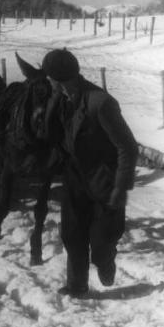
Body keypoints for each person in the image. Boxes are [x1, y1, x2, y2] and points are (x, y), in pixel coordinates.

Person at [42, 49, 139, 298]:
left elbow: (127, 146)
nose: (47, 80)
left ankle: (106, 261)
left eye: (49, 76)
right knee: (72, 235)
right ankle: (77, 286)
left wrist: (121, 186)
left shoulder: (100, 103)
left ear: (60, 77)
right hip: (75, 179)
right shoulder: (60, 99)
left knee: (101, 242)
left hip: (105, 183)